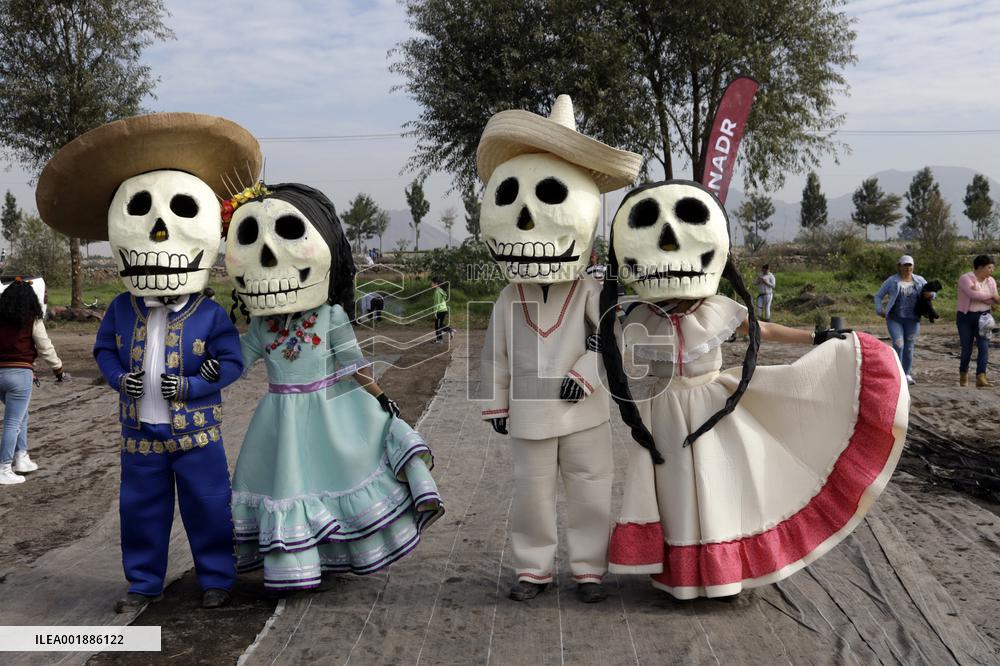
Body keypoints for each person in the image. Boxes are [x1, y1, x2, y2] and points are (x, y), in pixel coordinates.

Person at [600, 180, 908, 599]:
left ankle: (720, 573)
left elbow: (764, 329)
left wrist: (814, 337)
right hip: (662, 412)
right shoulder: (638, 314)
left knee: (714, 484)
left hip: (711, 406)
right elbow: (605, 347)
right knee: (674, 490)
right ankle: (680, 576)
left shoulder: (716, 308)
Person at [37, 112, 259, 612]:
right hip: (139, 433)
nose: (159, 235)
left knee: (209, 505)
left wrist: (196, 385)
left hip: (197, 433)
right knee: (140, 509)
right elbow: (103, 351)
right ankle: (143, 583)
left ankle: (216, 579)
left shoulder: (210, 313)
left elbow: (232, 360)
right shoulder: (121, 308)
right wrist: (120, 379)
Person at [224, 183, 443, 591]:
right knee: (290, 485)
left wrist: (381, 399)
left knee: (324, 482)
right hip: (278, 418)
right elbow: (235, 362)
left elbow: (354, 365)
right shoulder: (261, 325)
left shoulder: (331, 316)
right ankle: (298, 565)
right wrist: (201, 377)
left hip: (327, 411)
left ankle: (323, 557)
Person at [477, 94, 642, 603]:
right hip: (528, 411)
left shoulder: (592, 291)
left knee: (591, 487)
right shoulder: (509, 297)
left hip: (584, 411)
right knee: (531, 493)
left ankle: (589, 570)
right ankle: (534, 569)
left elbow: (613, 338)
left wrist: (587, 369)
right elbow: (494, 355)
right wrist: (496, 403)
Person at [0, 279, 65, 484]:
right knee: (13, 421)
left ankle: (22, 457)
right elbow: (45, 347)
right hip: (20, 375)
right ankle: (4, 468)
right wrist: (58, 368)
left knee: (21, 415)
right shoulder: (32, 319)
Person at [874, 255, 934, 385]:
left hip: (913, 319)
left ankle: (906, 374)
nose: (907, 268)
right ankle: (896, 374)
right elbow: (878, 296)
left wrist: (931, 294)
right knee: (899, 345)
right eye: (905, 265)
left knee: (909, 347)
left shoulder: (919, 280)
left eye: (910, 265)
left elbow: (932, 292)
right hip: (894, 318)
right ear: (899, 267)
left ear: (913, 266)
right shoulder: (892, 281)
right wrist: (879, 310)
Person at [956, 254, 1000, 387]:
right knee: (967, 349)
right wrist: (991, 296)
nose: (992, 270)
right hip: (966, 317)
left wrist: (989, 298)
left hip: (985, 317)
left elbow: (992, 299)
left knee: (984, 347)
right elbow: (973, 295)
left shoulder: (991, 281)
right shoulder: (966, 278)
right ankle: (963, 373)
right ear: (980, 267)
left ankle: (981, 376)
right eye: (989, 268)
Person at [431, 276, 450, 342]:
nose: (431, 284)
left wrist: (435, 312)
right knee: (440, 325)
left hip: (440, 310)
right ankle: (449, 330)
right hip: (443, 310)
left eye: (432, 283)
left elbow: (437, 303)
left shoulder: (437, 292)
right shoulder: (440, 290)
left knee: (437, 326)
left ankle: (439, 339)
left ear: (436, 283)